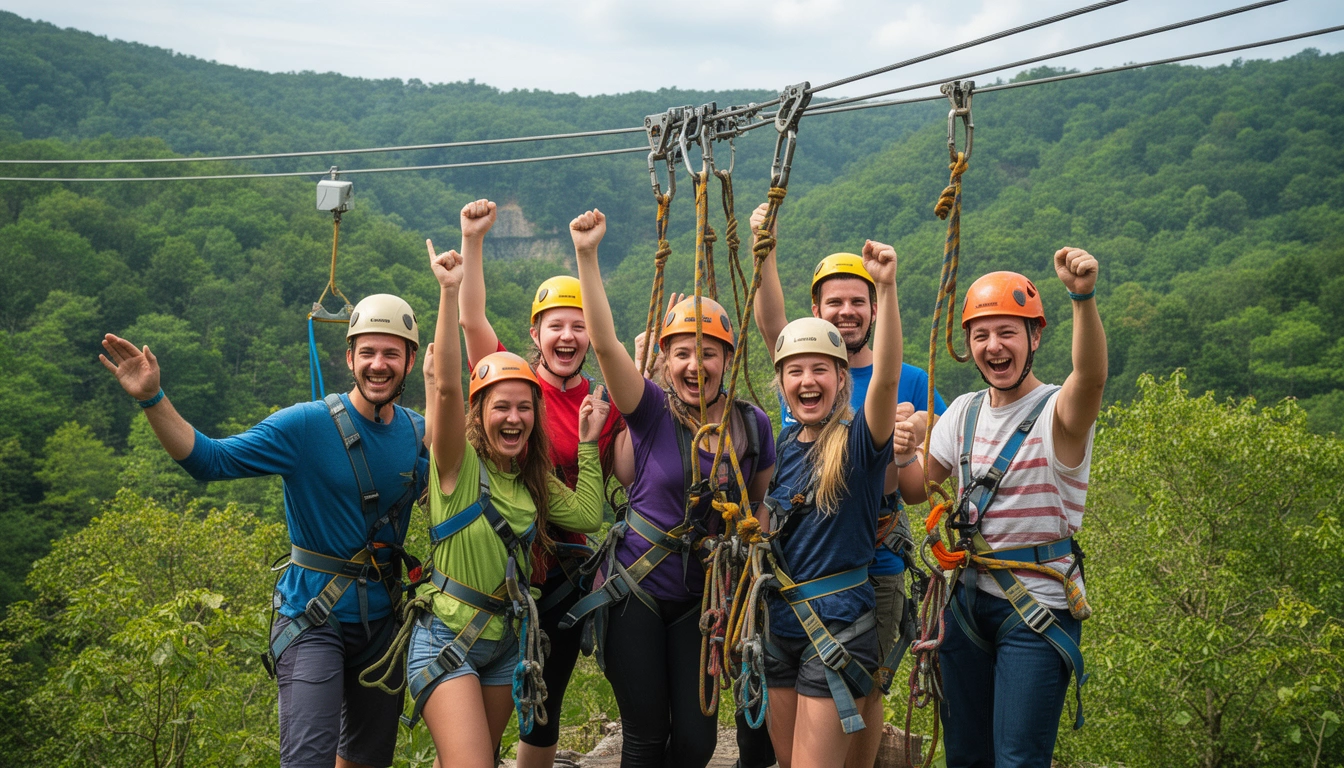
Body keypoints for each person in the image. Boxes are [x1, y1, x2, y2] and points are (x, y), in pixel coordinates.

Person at [100, 294, 428, 768]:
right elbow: (209, 460)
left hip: (383, 623)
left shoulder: (416, 434)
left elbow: (447, 501)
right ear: (350, 357)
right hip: (315, 618)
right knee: (307, 759)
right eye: (369, 353)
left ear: (409, 361)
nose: (379, 365)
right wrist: (153, 398)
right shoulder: (304, 426)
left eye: (391, 354)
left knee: (366, 760)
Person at [565, 208, 776, 768]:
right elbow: (606, 345)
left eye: (707, 352)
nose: (693, 364)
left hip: (701, 598)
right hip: (635, 588)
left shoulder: (752, 426)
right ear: (664, 360)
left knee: (695, 743)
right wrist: (588, 256)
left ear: (727, 358)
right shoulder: (651, 411)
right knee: (644, 736)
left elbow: (758, 510)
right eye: (681, 352)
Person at [750, 204, 945, 768]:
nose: (807, 381)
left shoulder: (858, 442)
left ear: (841, 382)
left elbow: (884, 379)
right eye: (795, 372)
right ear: (782, 381)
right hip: (782, 620)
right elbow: (770, 325)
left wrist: (887, 286)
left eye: (821, 371)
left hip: (842, 617)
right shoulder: (780, 444)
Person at [899, 250, 1107, 768]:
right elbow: (914, 489)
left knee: (1018, 759)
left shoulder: (1058, 412)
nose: (994, 346)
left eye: (1008, 332)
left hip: (1036, 606)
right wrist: (898, 445)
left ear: (1035, 337)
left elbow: (1092, 377)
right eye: (982, 335)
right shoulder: (963, 412)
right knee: (966, 756)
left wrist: (1082, 298)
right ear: (969, 346)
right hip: (967, 602)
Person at [408, 242, 606, 768]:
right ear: (479, 413)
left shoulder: (529, 479)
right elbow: (450, 389)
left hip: (503, 644)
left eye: (525, 407)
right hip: (449, 633)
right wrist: (448, 294)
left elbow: (588, 516)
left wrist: (586, 443)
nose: (514, 418)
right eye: (501, 407)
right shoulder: (456, 464)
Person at [454, 198, 628, 768]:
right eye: (557, 326)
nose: (569, 336)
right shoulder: (514, 382)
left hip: (566, 575)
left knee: (541, 705)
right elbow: (472, 322)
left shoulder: (604, 403)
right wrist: (473, 241)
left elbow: (625, 466)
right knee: (477, 710)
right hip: (503, 569)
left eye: (580, 326)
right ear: (536, 331)